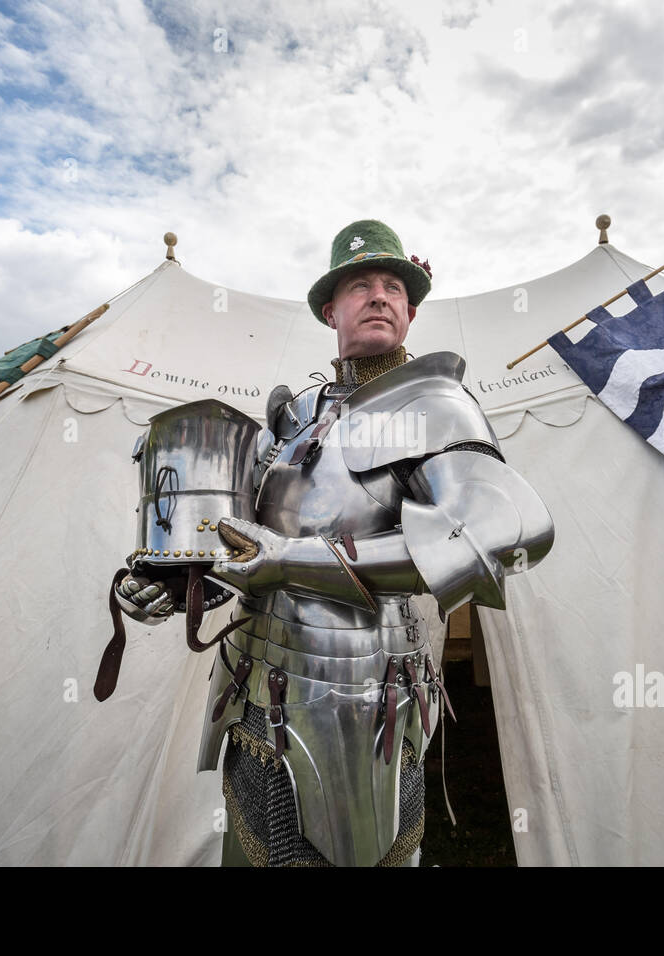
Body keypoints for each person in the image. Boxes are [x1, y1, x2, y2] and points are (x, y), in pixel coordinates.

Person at [115, 220, 554, 866]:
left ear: (409, 309)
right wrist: (182, 583)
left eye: (391, 286)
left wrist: (289, 561)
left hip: (359, 702)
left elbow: (505, 532)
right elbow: (242, 548)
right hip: (254, 689)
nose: (378, 295)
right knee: (249, 850)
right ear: (331, 310)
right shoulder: (293, 419)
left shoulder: (435, 405)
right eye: (359, 286)